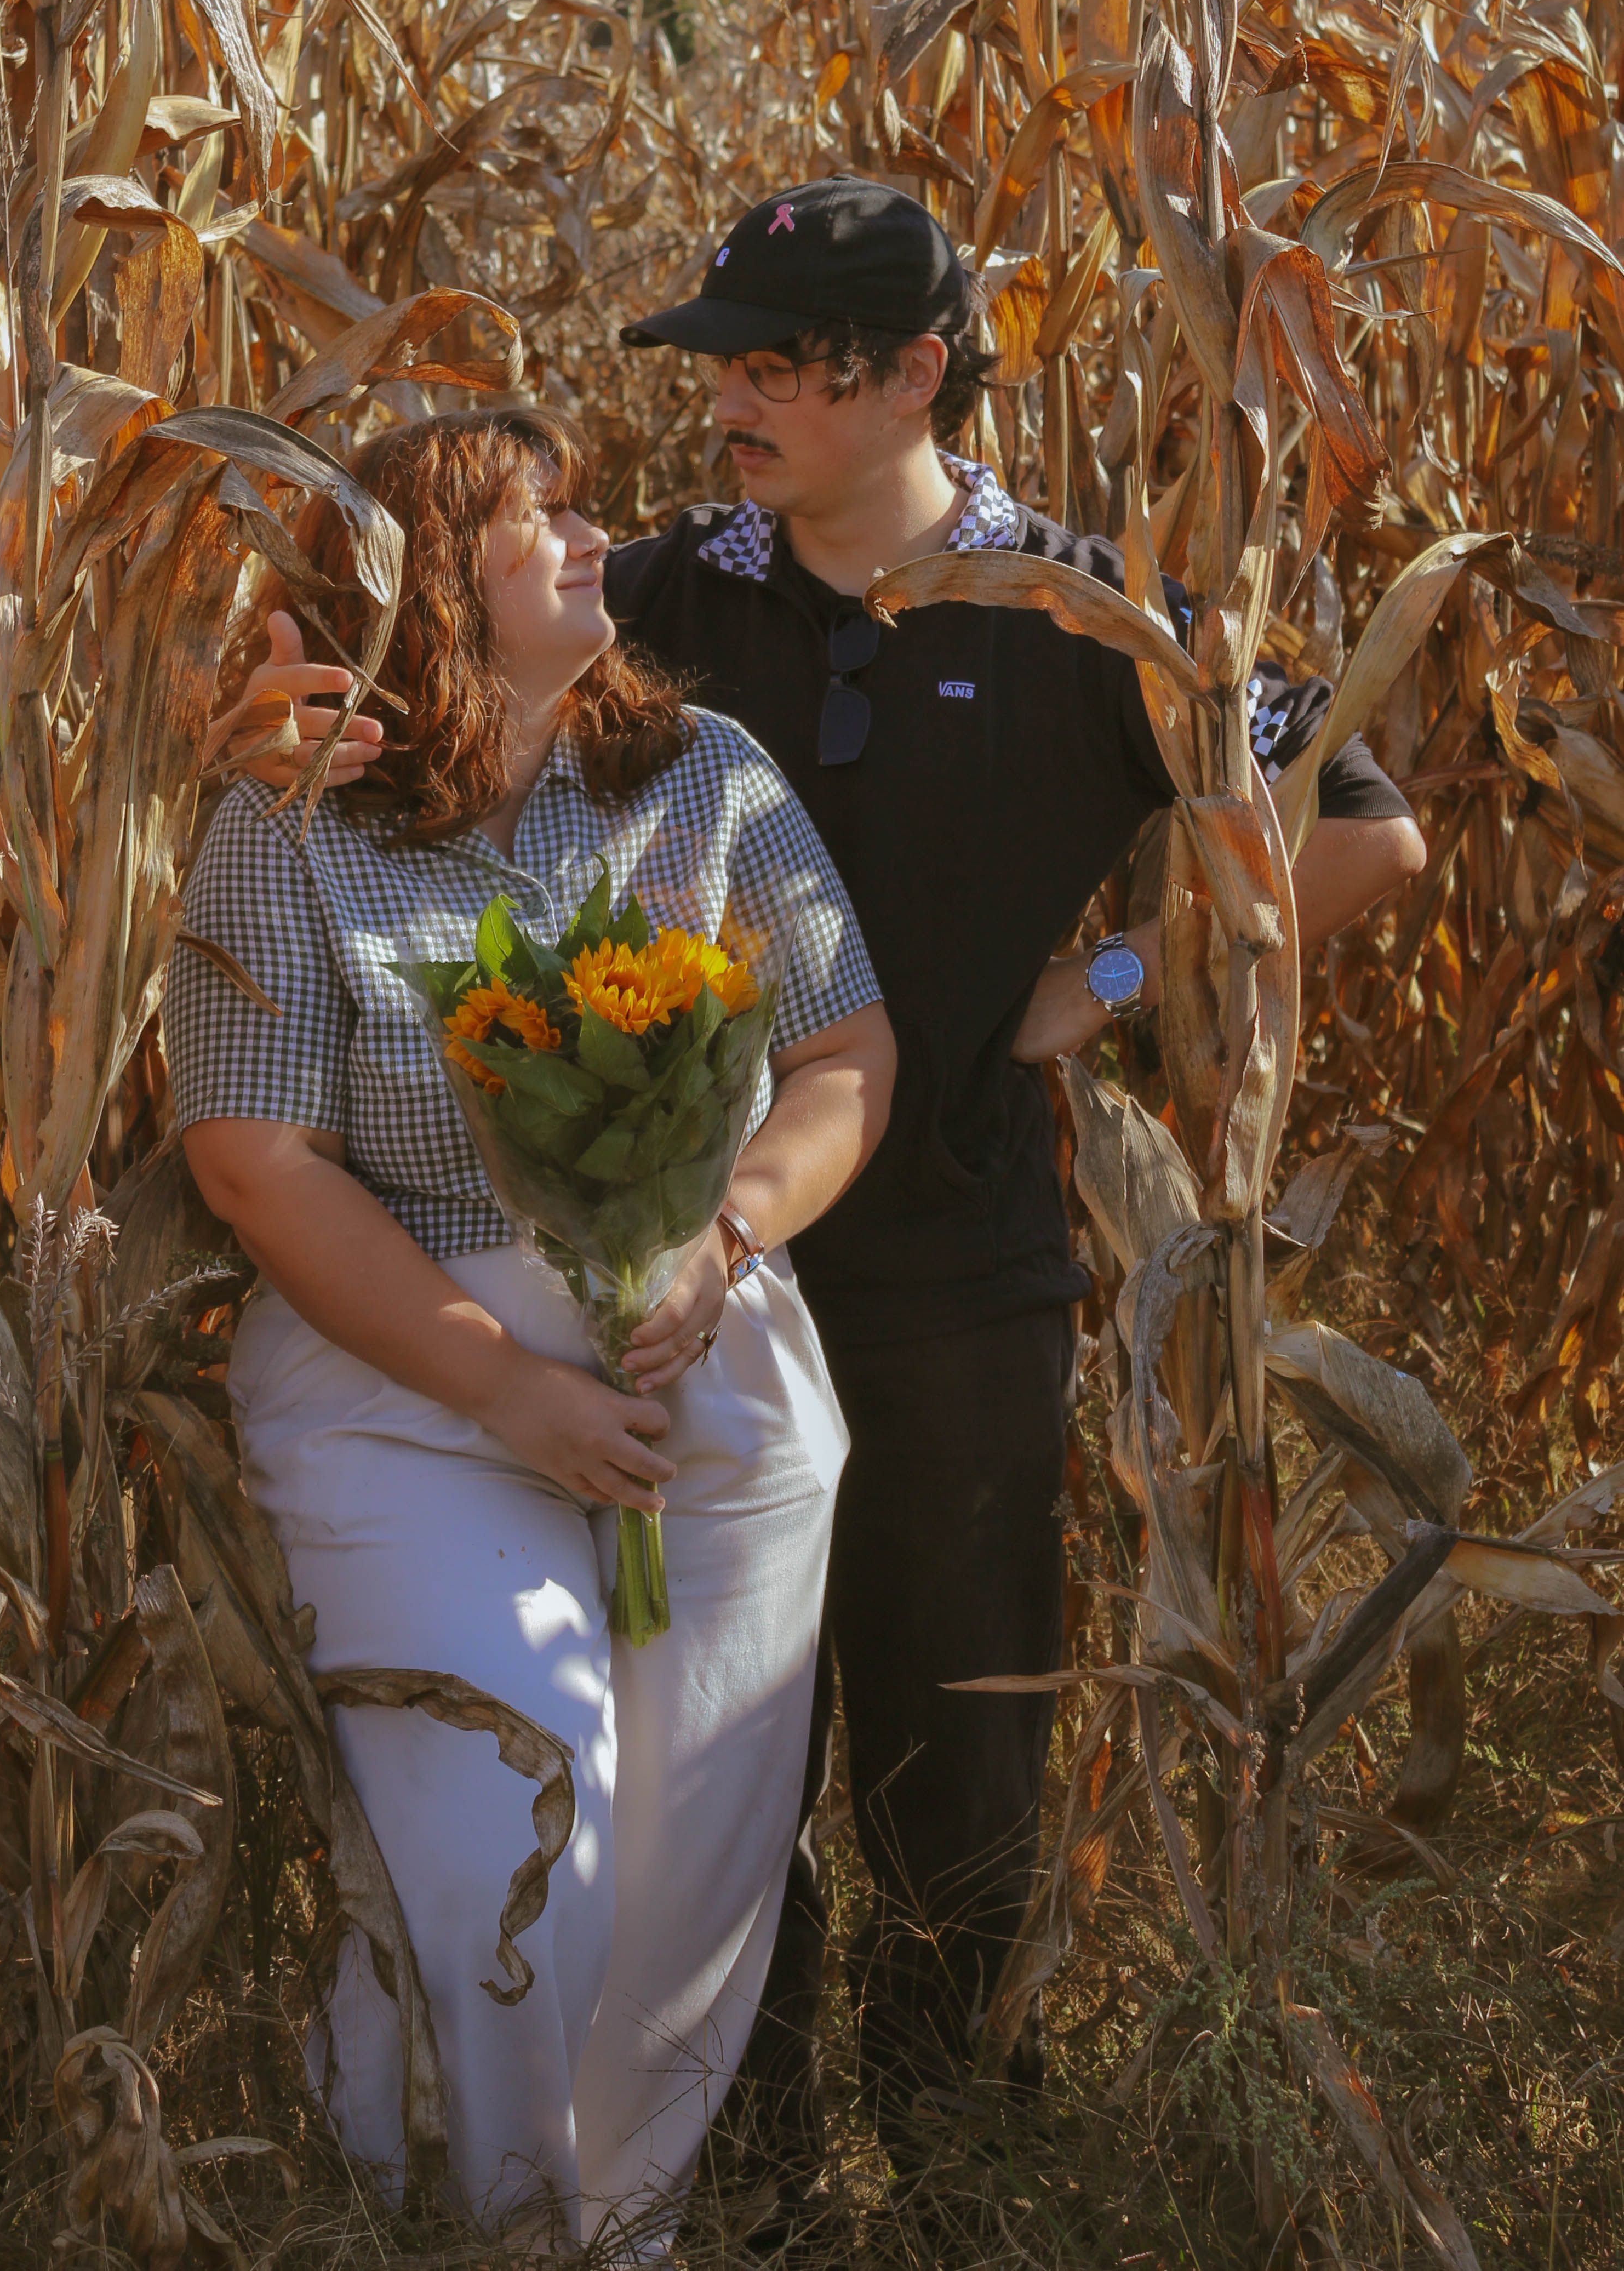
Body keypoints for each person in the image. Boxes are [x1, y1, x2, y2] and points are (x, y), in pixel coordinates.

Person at [228, 179, 1426, 2186]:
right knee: (710, 1782)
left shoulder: (1085, 615)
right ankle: (738, 2177)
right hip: (650, 1295)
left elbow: (1367, 835)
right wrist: (261, 725)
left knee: (951, 1768)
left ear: (914, 378)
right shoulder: (683, 581)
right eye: (730, 366)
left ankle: (957, 2161)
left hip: (953, 1265)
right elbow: (401, 673)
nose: (737, 405)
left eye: (784, 369)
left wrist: (1108, 977)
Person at [167, 405, 895, 2242]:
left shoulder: (703, 775)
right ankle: (470, 2215)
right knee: (508, 1832)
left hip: (695, 1354)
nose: (590, 535)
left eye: (579, 504)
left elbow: (844, 1054)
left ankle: (621, 2225)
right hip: (407, 1381)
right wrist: (506, 1384)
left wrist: (719, 1233)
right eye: (533, 516)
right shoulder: (293, 818)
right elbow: (256, 1160)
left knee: (684, 1872)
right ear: (427, 580)